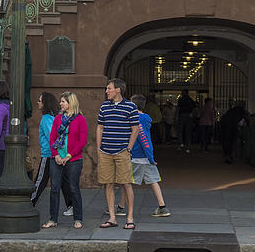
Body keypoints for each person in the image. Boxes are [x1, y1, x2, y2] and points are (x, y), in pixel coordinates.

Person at [96, 78, 139, 230]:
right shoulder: (104, 107)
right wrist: (99, 147)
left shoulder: (130, 107)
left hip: (122, 151)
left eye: (109, 88)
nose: (106, 91)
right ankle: (112, 217)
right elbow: (100, 127)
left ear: (118, 90)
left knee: (126, 183)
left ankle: (130, 217)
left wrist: (129, 148)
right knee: (108, 184)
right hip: (105, 152)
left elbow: (135, 129)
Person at [119, 94, 170, 218]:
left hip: (135, 156)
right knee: (153, 181)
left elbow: (142, 139)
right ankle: (162, 207)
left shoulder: (134, 118)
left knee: (125, 182)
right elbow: (147, 141)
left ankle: (120, 208)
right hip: (146, 158)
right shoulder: (145, 118)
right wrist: (150, 157)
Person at [42, 91, 87, 230]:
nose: (60, 104)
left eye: (63, 102)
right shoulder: (57, 119)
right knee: (54, 188)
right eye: (60, 101)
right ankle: (52, 219)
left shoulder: (80, 119)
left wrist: (69, 156)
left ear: (70, 103)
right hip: (56, 158)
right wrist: (55, 154)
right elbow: (52, 138)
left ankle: (78, 219)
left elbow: (82, 141)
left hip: (73, 159)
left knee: (73, 188)